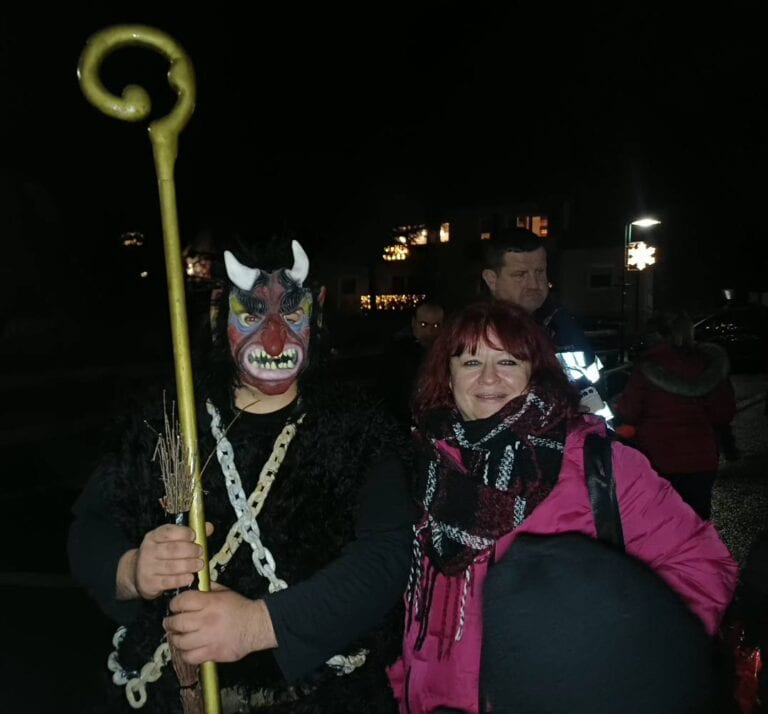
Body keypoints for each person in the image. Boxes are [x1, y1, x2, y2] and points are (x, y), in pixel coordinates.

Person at [68, 237, 415, 713]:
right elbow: (88, 529)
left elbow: (386, 558)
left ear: (316, 314)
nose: (275, 340)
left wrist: (258, 625)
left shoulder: (359, 434)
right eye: (251, 315)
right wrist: (130, 570)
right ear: (219, 312)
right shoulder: (166, 425)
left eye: (292, 314)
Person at [386, 301, 738, 714]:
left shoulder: (597, 464)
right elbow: (416, 611)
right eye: (470, 362)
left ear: (535, 372)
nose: (488, 377)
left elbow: (703, 566)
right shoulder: (426, 466)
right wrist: (400, 687)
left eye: (508, 361)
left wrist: (623, 663)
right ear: (447, 375)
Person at [614, 307, 736, 520]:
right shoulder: (710, 365)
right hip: (701, 459)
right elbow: (723, 413)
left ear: (658, 333)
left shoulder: (648, 366)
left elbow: (629, 411)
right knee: (697, 522)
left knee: (664, 523)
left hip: (658, 458)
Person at [480, 227, 610, 419]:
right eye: (520, 274)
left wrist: (599, 432)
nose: (534, 284)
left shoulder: (563, 324)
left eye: (540, 271)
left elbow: (594, 393)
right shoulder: (474, 335)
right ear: (491, 279)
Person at [377, 300, 444, 428]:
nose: (430, 331)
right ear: (414, 323)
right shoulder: (398, 352)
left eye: (436, 325)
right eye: (423, 324)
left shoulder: (447, 351)